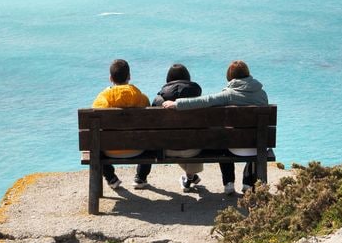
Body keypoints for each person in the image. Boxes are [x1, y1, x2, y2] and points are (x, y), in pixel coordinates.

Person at [162, 59, 269, 194]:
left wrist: (177, 104)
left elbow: (204, 101)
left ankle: (229, 183)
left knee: (222, 137)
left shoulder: (228, 95)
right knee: (254, 136)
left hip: (233, 147)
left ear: (230, 77)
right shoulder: (262, 94)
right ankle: (248, 184)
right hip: (258, 146)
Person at [135, 63, 203, 191]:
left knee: (152, 135)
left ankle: (140, 177)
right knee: (189, 137)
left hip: (166, 149)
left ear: (168, 80)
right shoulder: (198, 98)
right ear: (188, 78)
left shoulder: (158, 100)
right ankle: (190, 176)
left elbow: (150, 127)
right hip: (195, 148)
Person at [91, 58, 150, 189]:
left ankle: (111, 178)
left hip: (110, 150)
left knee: (95, 142)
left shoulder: (103, 99)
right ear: (129, 76)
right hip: (138, 149)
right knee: (150, 136)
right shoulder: (141, 98)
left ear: (110, 78)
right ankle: (141, 177)